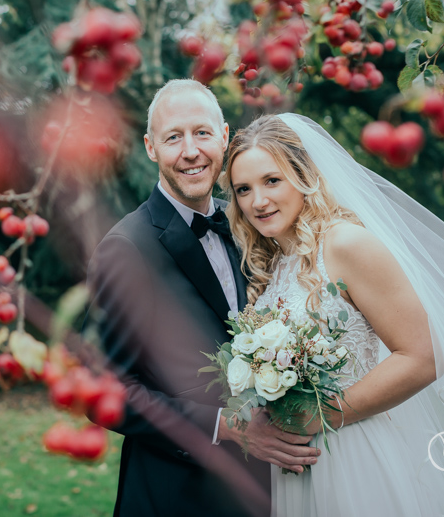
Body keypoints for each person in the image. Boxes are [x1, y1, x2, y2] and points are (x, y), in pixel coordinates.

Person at [224, 113, 444, 517]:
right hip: (298, 461)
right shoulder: (275, 261)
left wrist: (322, 415)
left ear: (304, 175)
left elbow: (423, 357)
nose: (257, 201)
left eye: (271, 180)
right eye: (243, 189)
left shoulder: (346, 243)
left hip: (353, 451)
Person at [84, 81, 318, 517]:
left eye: (202, 133)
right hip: (176, 496)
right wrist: (226, 428)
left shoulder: (250, 220)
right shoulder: (126, 249)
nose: (190, 151)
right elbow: (102, 392)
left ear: (225, 137)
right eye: (174, 137)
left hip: (268, 489)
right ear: (151, 148)